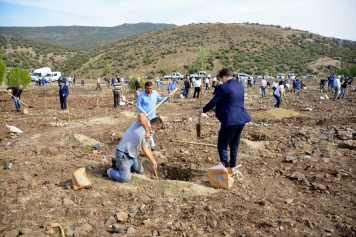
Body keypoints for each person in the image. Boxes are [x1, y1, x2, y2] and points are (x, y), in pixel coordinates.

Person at [198, 68, 251, 168]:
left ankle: (226, 169)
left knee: (222, 146)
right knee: (234, 145)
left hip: (230, 120)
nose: (221, 81)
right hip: (241, 119)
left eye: (221, 79)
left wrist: (203, 110)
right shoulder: (240, 85)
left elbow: (214, 101)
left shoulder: (223, 87)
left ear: (224, 77)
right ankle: (232, 167)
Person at [107, 113, 163, 182]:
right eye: (157, 129)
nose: (156, 131)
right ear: (153, 125)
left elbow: (145, 148)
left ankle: (119, 165)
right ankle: (110, 172)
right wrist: (147, 131)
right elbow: (141, 115)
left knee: (139, 170)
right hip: (123, 153)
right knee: (125, 178)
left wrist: (152, 160)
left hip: (133, 155)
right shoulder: (142, 124)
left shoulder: (149, 135)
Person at [136, 81, 170, 150]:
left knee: (151, 130)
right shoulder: (141, 95)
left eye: (151, 88)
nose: (149, 90)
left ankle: (148, 144)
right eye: (148, 88)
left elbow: (160, 100)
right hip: (145, 116)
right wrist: (144, 112)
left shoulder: (155, 93)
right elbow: (138, 105)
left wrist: (167, 98)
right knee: (146, 130)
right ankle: (151, 145)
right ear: (145, 88)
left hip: (152, 116)